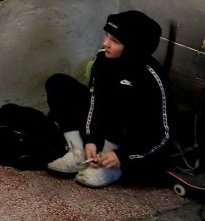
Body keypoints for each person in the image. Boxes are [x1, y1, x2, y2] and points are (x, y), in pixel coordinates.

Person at [45, 10, 171, 188]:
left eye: (115, 41)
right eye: (106, 36)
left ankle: (109, 163)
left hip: (127, 141)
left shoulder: (151, 78)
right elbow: (95, 102)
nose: (106, 44)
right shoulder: (103, 61)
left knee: (123, 96)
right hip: (102, 126)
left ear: (133, 47)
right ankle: (80, 153)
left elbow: (162, 136)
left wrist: (122, 156)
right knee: (58, 83)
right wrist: (90, 139)